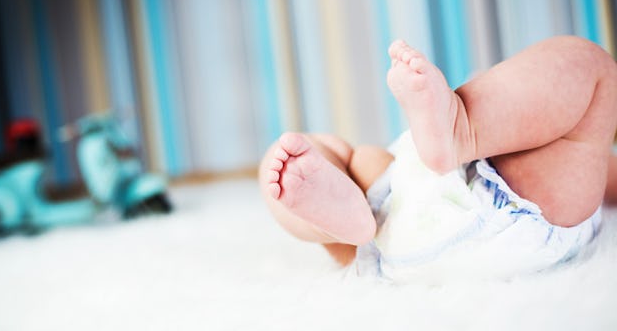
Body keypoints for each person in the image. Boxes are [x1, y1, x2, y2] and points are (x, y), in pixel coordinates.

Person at [259, 36, 617, 268]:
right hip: (518, 217)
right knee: (590, 65)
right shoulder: (549, 155)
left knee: (292, 159)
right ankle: (340, 221)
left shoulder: (390, 167)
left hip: (393, 243)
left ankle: (336, 228)